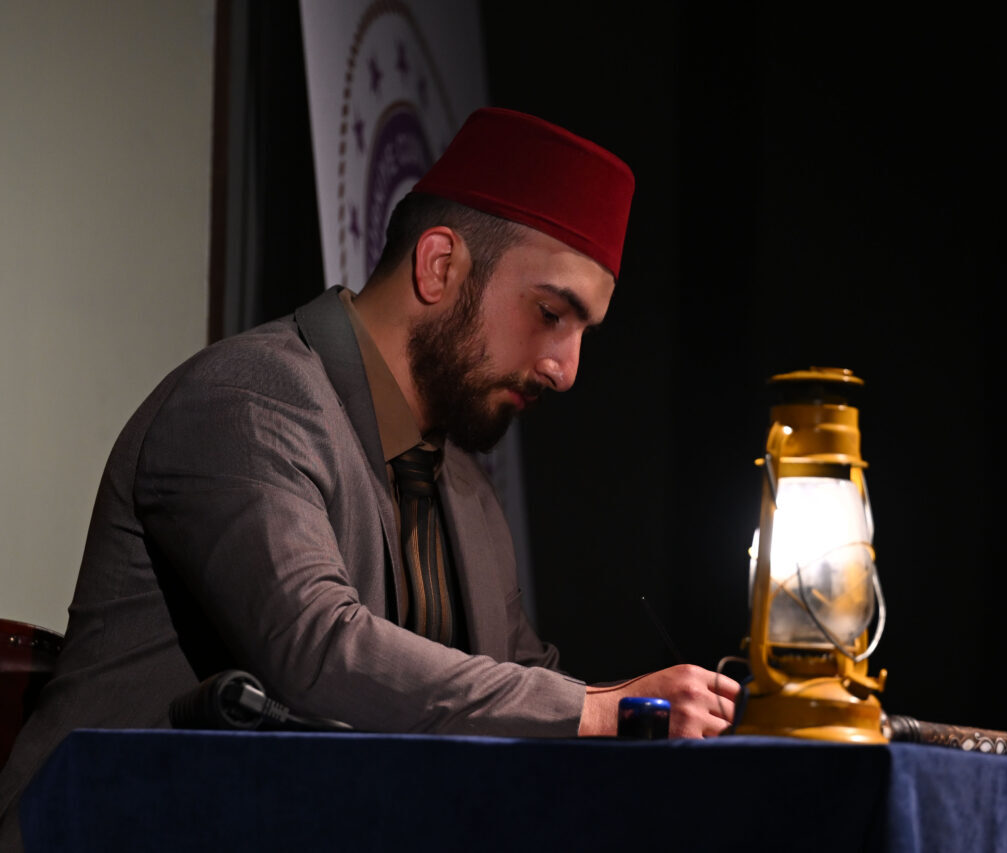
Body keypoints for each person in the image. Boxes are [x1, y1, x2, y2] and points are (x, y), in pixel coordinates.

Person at [0, 107, 739, 845]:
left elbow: (522, 688)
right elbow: (316, 650)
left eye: (583, 333)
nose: (566, 368)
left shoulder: (468, 493)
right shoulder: (246, 399)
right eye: (551, 313)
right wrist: (601, 710)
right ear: (439, 265)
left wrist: (653, 712)